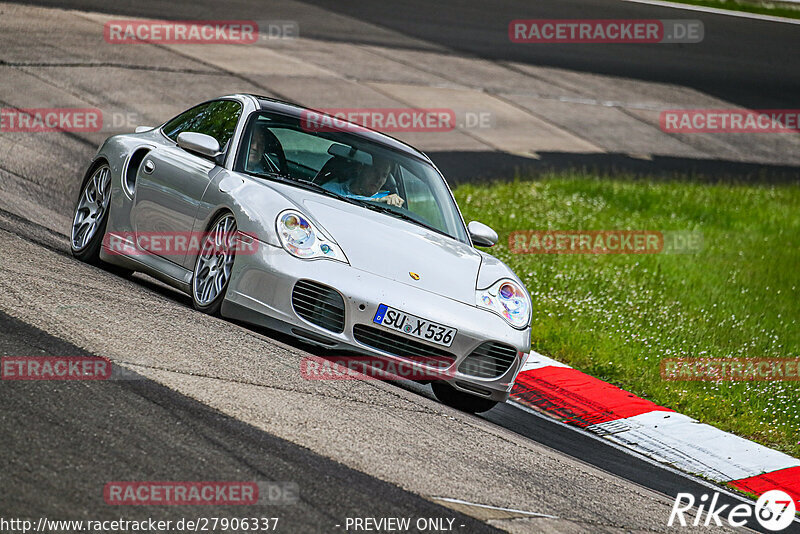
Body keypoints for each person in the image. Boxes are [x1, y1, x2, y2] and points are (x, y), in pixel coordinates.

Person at [322, 156, 404, 207]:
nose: (379, 179)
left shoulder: (386, 203)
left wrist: (395, 204)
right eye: (375, 171)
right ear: (360, 169)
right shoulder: (332, 189)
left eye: (384, 175)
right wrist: (375, 202)